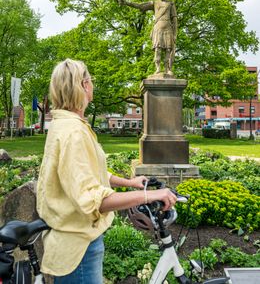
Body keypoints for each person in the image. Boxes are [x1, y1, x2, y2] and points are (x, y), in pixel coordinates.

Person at [37, 58, 177, 284]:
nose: (92, 85)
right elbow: (92, 200)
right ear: (83, 85)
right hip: (80, 246)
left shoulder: (65, 124)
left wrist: (129, 183)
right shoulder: (74, 133)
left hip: (74, 241)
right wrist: (149, 195)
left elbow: (86, 174)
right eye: (90, 80)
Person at [119, 0, 178, 75]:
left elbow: (174, 19)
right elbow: (140, 6)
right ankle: (158, 68)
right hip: (158, 28)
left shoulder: (171, 4)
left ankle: (167, 69)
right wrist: (126, 2)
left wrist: (175, 34)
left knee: (168, 49)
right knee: (157, 49)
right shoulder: (154, 3)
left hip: (168, 29)